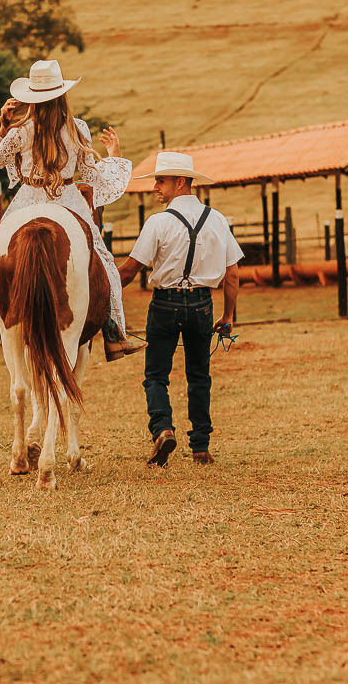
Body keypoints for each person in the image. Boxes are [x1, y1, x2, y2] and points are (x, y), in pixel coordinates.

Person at [0, 59, 145, 370]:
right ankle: (114, 332)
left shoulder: (21, 131)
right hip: (67, 199)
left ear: (32, 97)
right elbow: (90, 175)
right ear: (62, 94)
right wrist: (114, 159)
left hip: (27, 199)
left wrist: (3, 126)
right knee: (103, 259)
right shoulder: (77, 128)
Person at [118, 151, 243, 467]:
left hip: (165, 305)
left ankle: (163, 429)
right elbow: (233, 274)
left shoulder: (158, 222)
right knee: (199, 376)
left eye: (160, 180)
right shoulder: (216, 220)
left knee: (156, 375)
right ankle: (201, 447)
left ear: (181, 182)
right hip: (202, 305)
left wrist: (103, 291)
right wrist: (227, 316)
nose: (155, 187)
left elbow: (131, 270)